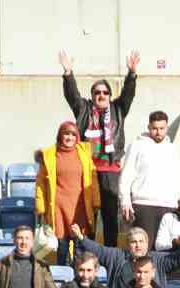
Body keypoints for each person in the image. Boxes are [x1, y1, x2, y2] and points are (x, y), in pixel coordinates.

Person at [60, 49, 140, 246]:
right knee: (88, 216)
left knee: (110, 217)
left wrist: (131, 74)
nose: (101, 95)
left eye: (105, 92)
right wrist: (68, 73)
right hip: (87, 170)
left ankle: (110, 255)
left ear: (110, 96)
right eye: (97, 92)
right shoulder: (84, 109)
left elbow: (128, 94)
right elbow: (72, 95)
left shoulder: (118, 109)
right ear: (92, 95)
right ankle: (87, 254)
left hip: (110, 171)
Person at [37, 121, 100, 262]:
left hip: (80, 205)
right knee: (62, 246)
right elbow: (41, 182)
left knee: (80, 245)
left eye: (73, 134)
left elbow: (93, 178)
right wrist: (41, 206)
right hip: (58, 207)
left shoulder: (84, 152)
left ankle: (79, 277)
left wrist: (96, 201)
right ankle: (62, 278)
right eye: (66, 134)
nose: (69, 137)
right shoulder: (49, 155)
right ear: (60, 135)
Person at [118, 110, 180, 244]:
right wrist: (125, 201)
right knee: (144, 249)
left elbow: (176, 178)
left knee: (166, 247)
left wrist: (178, 204)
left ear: (167, 128)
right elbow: (127, 174)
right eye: (154, 128)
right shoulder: (137, 145)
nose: (158, 132)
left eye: (161, 128)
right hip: (143, 204)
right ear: (149, 127)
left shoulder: (173, 149)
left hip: (169, 206)